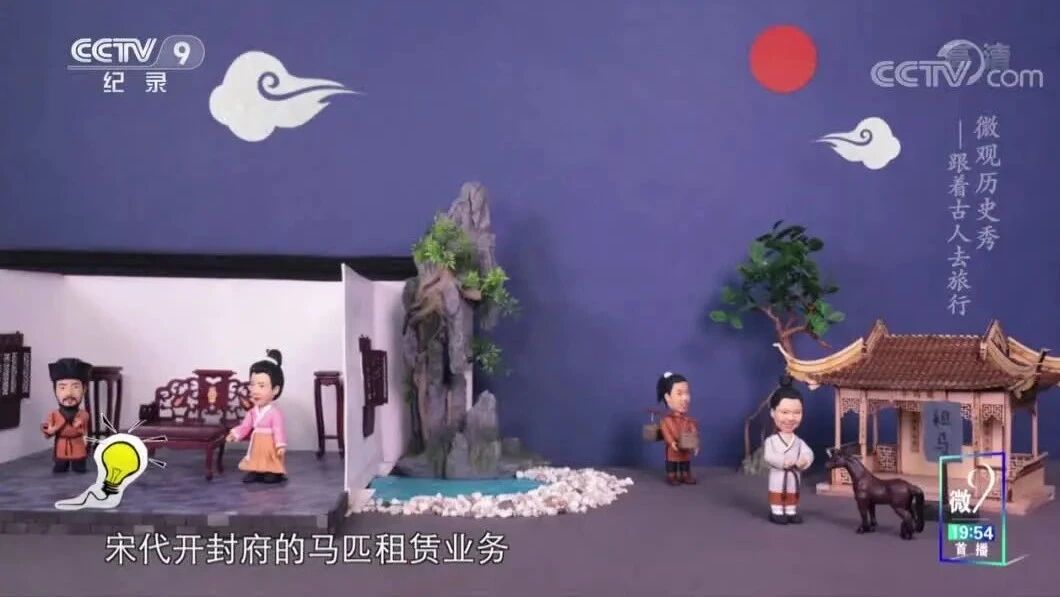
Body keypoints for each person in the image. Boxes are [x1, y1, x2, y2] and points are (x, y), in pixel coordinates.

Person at [227, 349, 288, 483]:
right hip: (257, 441)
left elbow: (278, 430)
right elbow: (246, 426)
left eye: (261, 386)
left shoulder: (274, 413)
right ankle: (255, 470)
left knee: (270, 458)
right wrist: (235, 434)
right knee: (256, 457)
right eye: (252, 385)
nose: (255, 391)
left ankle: (272, 472)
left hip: (270, 442)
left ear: (275, 389)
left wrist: (280, 445)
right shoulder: (252, 412)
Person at [762, 374, 813, 524]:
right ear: (773, 413)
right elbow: (769, 456)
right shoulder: (771, 441)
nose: (791, 418)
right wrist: (783, 462)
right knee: (777, 494)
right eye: (784, 412)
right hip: (779, 475)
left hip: (794, 474)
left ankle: (791, 511)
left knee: (792, 493)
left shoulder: (798, 442)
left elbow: (808, 453)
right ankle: (777, 511)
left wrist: (804, 460)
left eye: (797, 413)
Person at [42, 358, 93, 474]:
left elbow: (85, 432)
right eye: (62, 387)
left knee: (79, 469)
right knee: (59, 469)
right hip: (61, 446)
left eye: (75, 387)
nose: (69, 393)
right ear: (55, 390)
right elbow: (48, 432)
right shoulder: (53, 414)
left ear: (84, 389)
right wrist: (51, 430)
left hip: (78, 446)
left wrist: (84, 439)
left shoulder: (84, 415)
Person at [657, 371, 699, 485]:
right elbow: (666, 433)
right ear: (668, 397)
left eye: (687, 393)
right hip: (673, 448)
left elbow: (693, 432)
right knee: (672, 464)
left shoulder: (688, 420)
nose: (685, 398)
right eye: (679, 394)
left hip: (685, 448)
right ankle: (672, 476)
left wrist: (695, 444)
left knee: (685, 463)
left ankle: (685, 475)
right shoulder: (666, 420)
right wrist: (671, 443)